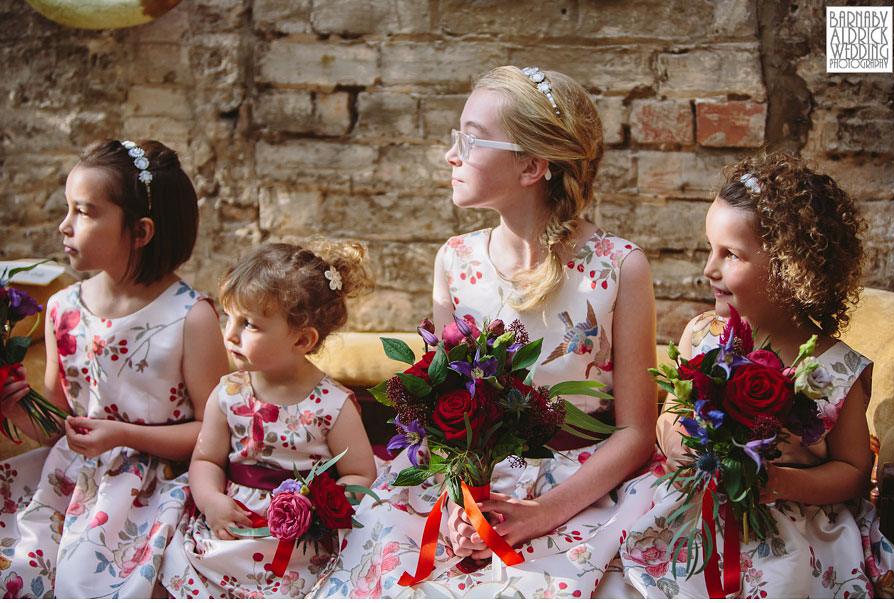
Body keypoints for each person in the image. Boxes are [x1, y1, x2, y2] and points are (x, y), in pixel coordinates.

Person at [319, 66, 659, 598]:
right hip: (468, 482)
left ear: (531, 165)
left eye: (471, 139)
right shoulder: (455, 261)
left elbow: (637, 432)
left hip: (579, 488)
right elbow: (442, 404)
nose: (451, 154)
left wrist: (543, 512)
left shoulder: (619, 267)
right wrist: (461, 500)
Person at [620, 150, 894, 598]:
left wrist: (784, 482)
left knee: (781, 581)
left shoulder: (838, 369)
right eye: (710, 249)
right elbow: (671, 408)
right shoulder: (703, 336)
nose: (708, 269)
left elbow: (852, 470)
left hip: (790, 519)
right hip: (698, 499)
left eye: (730, 254)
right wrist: (677, 441)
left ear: (792, 270)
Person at [0, 139, 229, 597]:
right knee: (19, 570)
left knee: (86, 581)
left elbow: (216, 434)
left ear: (141, 232)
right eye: (69, 209)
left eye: (84, 212)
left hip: (155, 487)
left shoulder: (191, 317)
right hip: (69, 482)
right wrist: (21, 412)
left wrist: (125, 436)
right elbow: (63, 424)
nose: (65, 226)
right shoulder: (63, 307)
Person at [159, 242, 378, 598]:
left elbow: (361, 473)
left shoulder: (333, 405)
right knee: (182, 564)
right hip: (236, 523)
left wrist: (318, 507)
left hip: (301, 537)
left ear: (302, 339)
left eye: (250, 324)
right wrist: (210, 499)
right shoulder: (228, 393)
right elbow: (205, 459)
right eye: (229, 317)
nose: (230, 334)